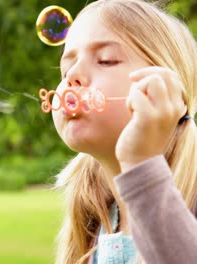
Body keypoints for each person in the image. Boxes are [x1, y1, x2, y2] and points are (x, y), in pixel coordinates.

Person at [51, 0, 197, 263]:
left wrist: (140, 163)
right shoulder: (96, 220)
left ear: (167, 88)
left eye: (106, 60)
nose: (72, 75)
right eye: (65, 69)